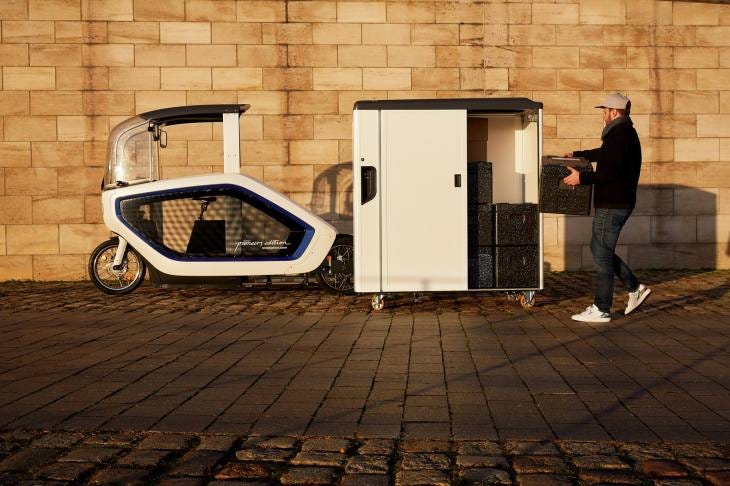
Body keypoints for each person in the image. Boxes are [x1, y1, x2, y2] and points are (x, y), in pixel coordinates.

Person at [563, 92, 651, 323]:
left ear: (615, 112)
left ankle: (602, 308)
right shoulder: (622, 134)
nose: (603, 115)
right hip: (615, 202)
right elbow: (606, 156)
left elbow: (611, 171)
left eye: (605, 111)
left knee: (601, 255)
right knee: (599, 248)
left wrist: (581, 178)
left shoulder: (620, 135)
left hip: (613, 204)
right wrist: (579, 155)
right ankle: (635, 288)